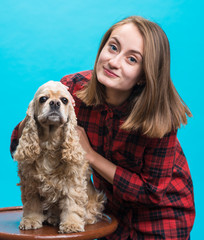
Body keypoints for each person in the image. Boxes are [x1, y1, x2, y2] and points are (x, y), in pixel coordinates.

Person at [10, 16, 195, 239]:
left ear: (144, 77)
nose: (114, 62)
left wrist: (90, 155)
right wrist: (35, 115)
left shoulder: (162, 116)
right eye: (113, 47)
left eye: (132, 60)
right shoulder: (71, 90)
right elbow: (17, 145)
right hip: (106, 208)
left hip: (161, 218)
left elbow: (150, 193)